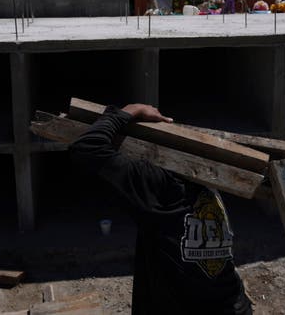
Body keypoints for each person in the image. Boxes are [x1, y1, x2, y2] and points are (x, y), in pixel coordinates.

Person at [68, 103, 253, 315]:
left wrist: (130, 111)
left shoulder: (160, 185)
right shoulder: (208, 181)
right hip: (233, 305)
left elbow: (87, 148)